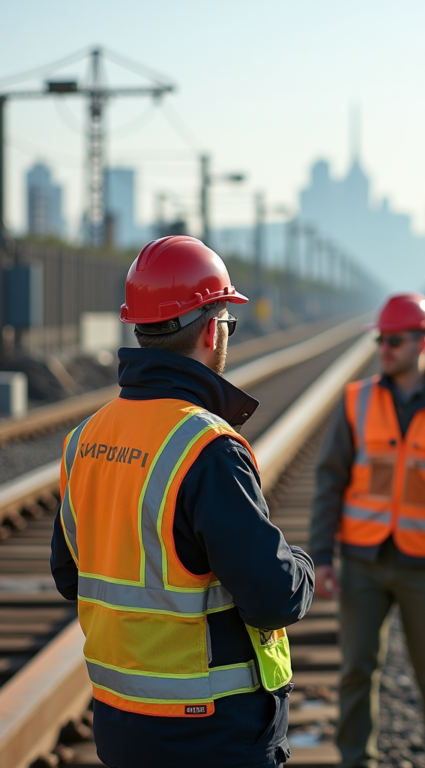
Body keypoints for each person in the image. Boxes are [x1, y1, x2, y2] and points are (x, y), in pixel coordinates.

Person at [50, 235, 314, 768]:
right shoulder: (205, 448)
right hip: (211, 732)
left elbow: (68, 574)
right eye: (228, 324)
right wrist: (302, 567)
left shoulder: (87, 438)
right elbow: (272, 597)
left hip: (121, 723)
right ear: (214, 327)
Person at [310, 293, 425, 768]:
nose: (384, 348)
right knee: (356, 670)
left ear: (424, 341)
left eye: (394, 340)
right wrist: (322, 555)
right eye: (381, 339)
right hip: (363, 561)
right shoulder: (358, 401)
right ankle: (355, 760)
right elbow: (330, 479)